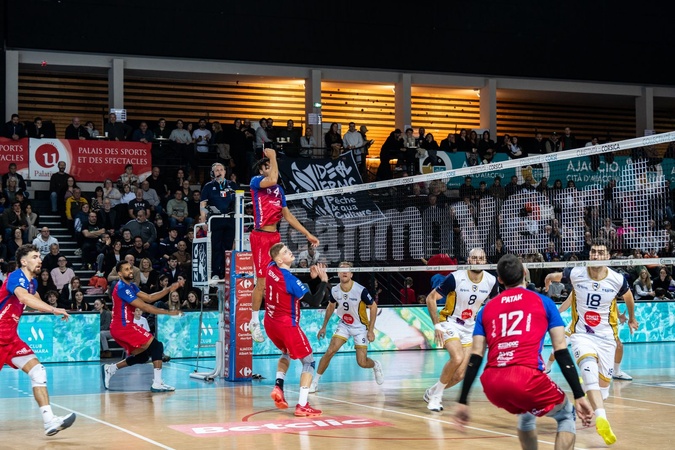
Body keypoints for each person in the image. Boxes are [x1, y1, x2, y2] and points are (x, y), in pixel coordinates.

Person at [454, 254, 593, 450]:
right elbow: (560, 352)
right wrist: (579, 395)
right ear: (525, 273)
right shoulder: (544, 303)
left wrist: (462, 400)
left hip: (492, 383)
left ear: (500, 280)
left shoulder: (486, 309)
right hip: (526, 377)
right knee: (566, 414)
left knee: (526, 412)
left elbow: (475, 357)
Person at [543, 238, 639, 445]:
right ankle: (602, 418)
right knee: (589, 372)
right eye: (593, 252)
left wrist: (631, 318)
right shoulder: (576, 273)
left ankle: (596, 401)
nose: (596, 255)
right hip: (582, 334)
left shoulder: (617, 279)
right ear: (590, 255)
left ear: (607, 256)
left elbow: (629, 297)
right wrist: (550, 277)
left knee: (603, 385)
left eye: (600, 252)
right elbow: (560, 277)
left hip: (606, 337)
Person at [0, 244, 76, 436]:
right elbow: (24, 298)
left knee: (38, 371)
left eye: (39, 256)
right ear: (23, 262)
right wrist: (53, 309)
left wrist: (50, 307)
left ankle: (49, 421)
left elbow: (34, 297)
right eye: (34, 257)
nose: (39, 260)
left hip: (10, 338)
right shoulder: (16, 276)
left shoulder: (32, 283)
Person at [248, 149, 320, 343]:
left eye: (272, 166)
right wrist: (272, 156)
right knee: (261, 282)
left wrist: (307, 234)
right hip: (261, 236)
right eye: (267, 167)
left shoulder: (279, 191)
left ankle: (276, 317)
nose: (271, 169)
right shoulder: (257, 182)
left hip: (275, 236)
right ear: (262, 169)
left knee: (277, 278)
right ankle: (253, 321)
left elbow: (287, 216)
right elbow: (272, 179)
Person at [422, 247, 498, 412]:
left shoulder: (491, 281)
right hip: (450, 322)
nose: (478, 261)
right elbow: (431, 298)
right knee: (457, 358)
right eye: (474, 258)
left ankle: (433, 391)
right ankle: (436, 398)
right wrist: (436, 325)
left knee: (460, 375)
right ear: (469, 261)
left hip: (470, 327)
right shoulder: (455, 278)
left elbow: (494, 305)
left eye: (481, 258)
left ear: (485, 261)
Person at [265, 242, 329, 417]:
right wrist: (322, 282)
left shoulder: (270, 268)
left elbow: (292, 288)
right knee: (308, 362)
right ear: (279, 260)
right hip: (287, 325)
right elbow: (315, 302)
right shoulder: (290, 280)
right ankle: (302, 405)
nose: (290, 252)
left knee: (286, 353)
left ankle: (278, 386)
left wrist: (311, 279)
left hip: (270, 323)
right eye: (286, 252)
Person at [101, 260, 185, 392]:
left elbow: (149, 297)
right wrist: (169, 312)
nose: (130, 271)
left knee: (144, 356)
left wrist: (169, 289)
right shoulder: (122, 288)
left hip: (122, 326)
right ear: (120, 273)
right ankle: (157, 383)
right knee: (157, 346)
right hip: (123, 326)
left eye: (130, 268)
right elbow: (145, 307)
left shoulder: (131, 286)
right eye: (126, 269)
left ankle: (111, 369)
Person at [310, 261, 382, 393]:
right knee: (330, 351)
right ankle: (314, 382)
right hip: (344, 324)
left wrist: (371, 330)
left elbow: (373, 306)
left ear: (351, 274)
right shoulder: (335, 290)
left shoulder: (360, 290)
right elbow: (331, 306)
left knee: (362, 362)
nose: (344, 272)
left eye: (347, 270)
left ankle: (375, 365)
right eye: (341, 270)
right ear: (338, 273)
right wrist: (324, 326)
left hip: (360, 327)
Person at [199, 162, 239, 278]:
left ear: (225, 172)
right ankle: (216, 272)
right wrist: (203, 220)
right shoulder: (208, 186)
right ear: (213, 173)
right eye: (217, 170)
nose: (219, 172)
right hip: (215, 220)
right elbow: (203, 204)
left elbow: (239, 202)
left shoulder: (232, 185)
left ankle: (226, 272)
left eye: (221, 170)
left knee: (228, 247)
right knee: (216, 247)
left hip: (230, 220)